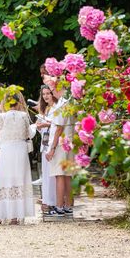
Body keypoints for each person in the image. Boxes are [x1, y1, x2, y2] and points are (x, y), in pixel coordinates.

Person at [0, 91, 35, 224]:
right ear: (19, 102)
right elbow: (29, 134)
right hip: (20, 149)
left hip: (7, 150)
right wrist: (35, 127)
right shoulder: (24, 116)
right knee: (19, 179)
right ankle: (17, 215)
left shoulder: (1, 117)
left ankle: (6, 213)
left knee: (6, 179)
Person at [45, 82, 76, 217]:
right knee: (68, 175)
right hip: (69, 142)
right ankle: (68, 206)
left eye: (52, 90)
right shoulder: (70, 102)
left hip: (60, 144)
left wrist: (52, 148)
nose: (52, 93)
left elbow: (58, 128)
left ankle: (59, 206)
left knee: (60, 175)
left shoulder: (62, 104)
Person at [35, 85, 57, 213]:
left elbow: (57, 124)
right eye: (44, 94)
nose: (46, 96)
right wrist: (39, 126)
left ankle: (53, 201)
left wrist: (46, 124)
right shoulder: (46, 109)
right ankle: (47, 200)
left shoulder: (56, 108)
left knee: (52, 174)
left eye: (48, 93)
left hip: (53, 144)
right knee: (46, 173)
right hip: (45, 143)